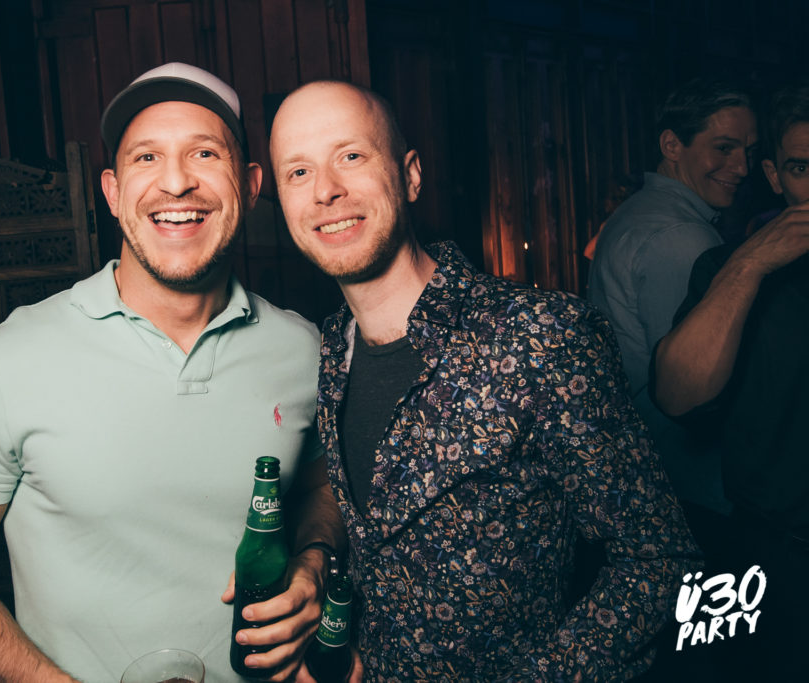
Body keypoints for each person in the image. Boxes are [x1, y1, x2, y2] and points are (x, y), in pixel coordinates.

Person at [0, 62, 345, 683]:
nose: (176, 182)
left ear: (250, 182)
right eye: (146, 158)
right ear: (111, 191)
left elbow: (325, 485)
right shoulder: (7, 361)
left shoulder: (303, 349)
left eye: (205, 153)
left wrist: (314, 558)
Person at [268, 80, 701, 681]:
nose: (325, 190)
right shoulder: (330, 349)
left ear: (410, 176)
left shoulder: (540, 337)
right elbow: (378, 553)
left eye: (351, 155)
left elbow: (660, 562)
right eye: (298, 172)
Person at [652, 83, 809, 678]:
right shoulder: (727, 267)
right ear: (775, 176)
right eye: (802, 169)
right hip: (772, 558)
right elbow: (676, 398)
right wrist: (749, 264)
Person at [586, 79, 757, 522]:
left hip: (654, 474)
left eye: (748, 151)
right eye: (724, 148)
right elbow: (693, 387)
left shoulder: (642, 212)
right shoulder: (681, 236)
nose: (742, 167)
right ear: (672, 145)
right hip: (686, 483)